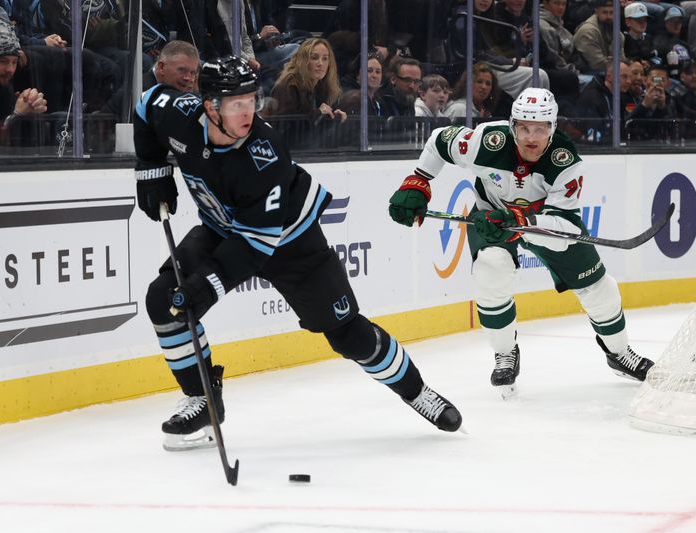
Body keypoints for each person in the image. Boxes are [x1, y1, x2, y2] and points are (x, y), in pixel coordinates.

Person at [133, 55, 463, 450]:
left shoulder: (264, 152)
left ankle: (416, 391)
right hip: (222, 230)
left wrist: (208, 285)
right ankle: (203, 399)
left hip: (291, 242)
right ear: (209, 106)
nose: (248, 112)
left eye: (252, 99)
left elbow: (256, 244)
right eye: (237, 103)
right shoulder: (179, 114)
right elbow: (145, 105)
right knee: (163, 300)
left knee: (347, 334)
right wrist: (151, 170)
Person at [387, 87, 655, 397]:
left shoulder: (564, 162)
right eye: (524, 127)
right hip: (491, 218)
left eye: (540, 129)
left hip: (544, 224)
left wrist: (521, 223)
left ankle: (619, 353)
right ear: (512, 126)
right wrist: (419, 180)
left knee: (600, 289)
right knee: (491, 268)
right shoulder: (487, 141)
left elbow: (563, 229)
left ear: (552, 129)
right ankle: (505, 352)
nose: (531, 137)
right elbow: (439, 141)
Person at [101, 40, 200, 118]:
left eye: (193, 73)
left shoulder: (187, 96)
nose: (189, 78)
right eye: (182, 70)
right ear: (161, 67)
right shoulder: (138, 92)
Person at [270, 37, 346, 122]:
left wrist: (334, 118)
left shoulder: (323, 86)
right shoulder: (289, 86)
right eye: (314, 58)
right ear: (302, 61)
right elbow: (286, 128)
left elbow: (314, 130)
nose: (320, 63)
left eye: (325, 59)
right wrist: (318, 113)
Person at [442, 63, 514, 121]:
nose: (484, 87)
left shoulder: (485, 112)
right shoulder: (458, 109)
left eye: (488, 84)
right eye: (479, 82)